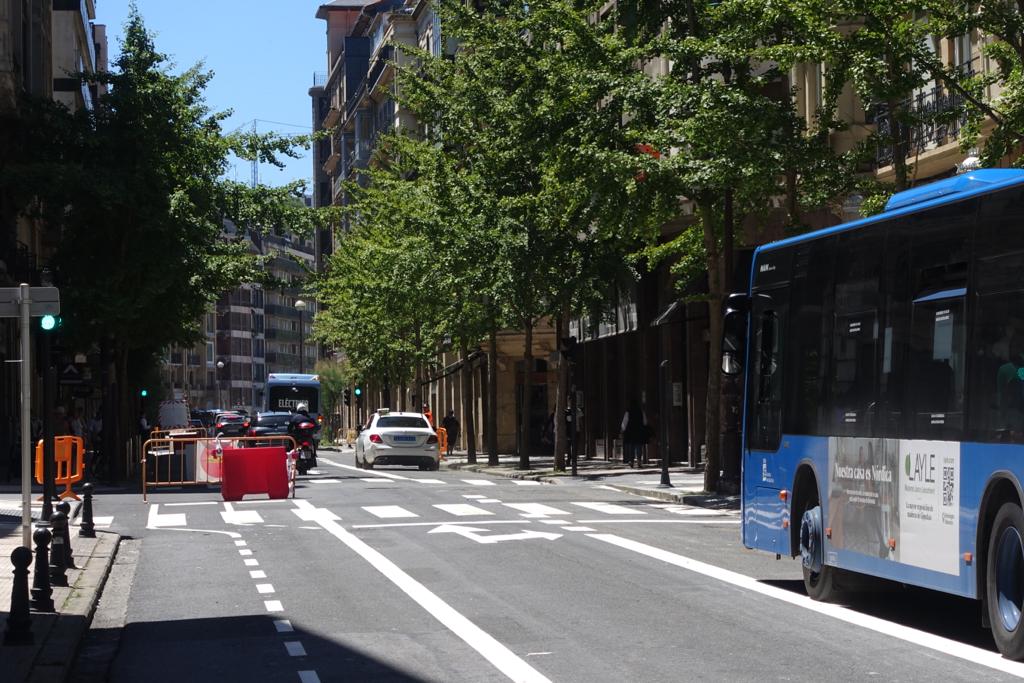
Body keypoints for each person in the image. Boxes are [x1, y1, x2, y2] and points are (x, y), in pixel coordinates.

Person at [621, 399, 647, 468]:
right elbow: (645, 421)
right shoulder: (641, 411)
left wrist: (623, 429)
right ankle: (639, 460)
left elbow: (625, 422)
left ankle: (631, 461)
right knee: (639, 446)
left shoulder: (628, 411)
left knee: (631, 446)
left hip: (631, 431)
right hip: (639, 430)